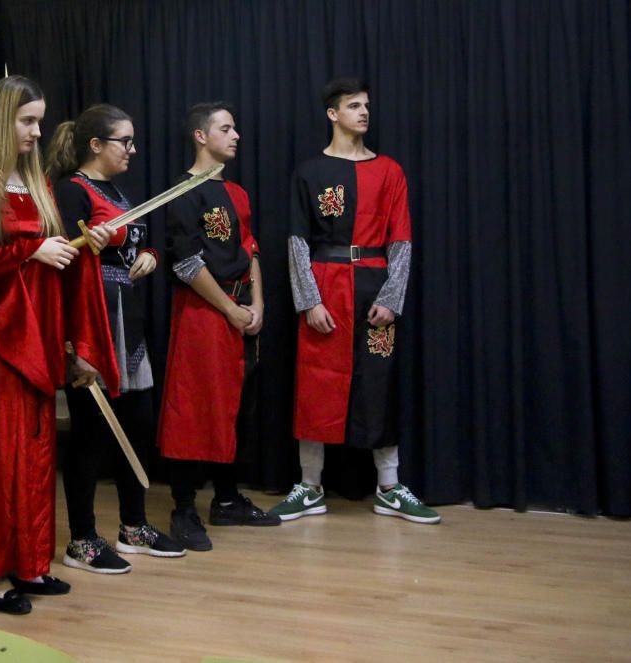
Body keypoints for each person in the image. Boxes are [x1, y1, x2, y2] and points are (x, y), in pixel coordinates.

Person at [0, 76, 116, 614]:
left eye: (39, 120)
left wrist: (86, 243)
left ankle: (30, 563)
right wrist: (30, 252)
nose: (38, 131)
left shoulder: (35, 181)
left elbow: (58, 253)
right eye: (27, 121)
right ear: (0, 121)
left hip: (37, 337)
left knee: (35, 458)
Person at [268, 76, 440, 525]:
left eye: (366, 104)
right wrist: (309, 300)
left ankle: (389, 485)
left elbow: (401, 239)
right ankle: (309, 485)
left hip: (374, 285)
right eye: (353, 105)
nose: (364, 112)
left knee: (379, 382)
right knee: (316, 383)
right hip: (326, 286)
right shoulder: (309, 172)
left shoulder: (390, 171)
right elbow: (297, 240)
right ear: (333, 114)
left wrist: (392, 297)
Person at [46, 104, 186, 574]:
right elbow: (62, 254)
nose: (132, 149)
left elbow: (132, 241)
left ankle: (134, 525)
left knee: (136, 426)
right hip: (92, 324)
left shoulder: (119, 193)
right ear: (95, 145)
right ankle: (82, 539)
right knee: (90, 434)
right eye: (123, 141)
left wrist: (145, 254)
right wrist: (92, 244)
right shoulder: (71, 191)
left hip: (130, 321)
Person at [158, 102, 281, 553]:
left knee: (237, 408)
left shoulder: (239, 194)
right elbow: (187, 263)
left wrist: (258, 303)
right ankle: (184, 507)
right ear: (200, 136)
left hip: (242, 308)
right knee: (195, 409)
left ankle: (227, 498)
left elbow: (251, 250)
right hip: (203, 313)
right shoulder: (182, 193)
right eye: (226, 128)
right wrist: (229, 310)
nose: (236, 135)